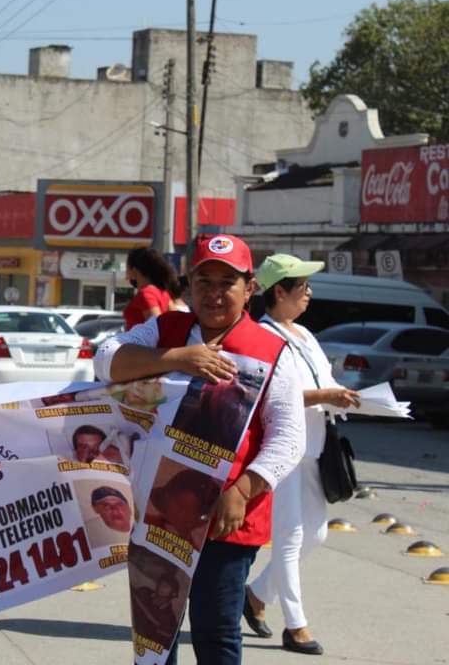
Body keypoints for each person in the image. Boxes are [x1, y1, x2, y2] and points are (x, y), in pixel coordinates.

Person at [95, 233, 305, 665]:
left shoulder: (273, 351)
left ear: (250, 289)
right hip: (158, 512)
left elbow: (288, 436)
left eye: (226, 283)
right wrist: (176, 358)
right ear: (189, 284)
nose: (213, 293)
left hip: (226, 518)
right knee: (155, 634)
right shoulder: (166, 329)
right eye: (203, 281)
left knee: (216, 634)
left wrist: (244, 489)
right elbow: (105, 360)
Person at [244, 254, 361, 656]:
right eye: (302, 287)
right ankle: (296, 626)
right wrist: (324, 396)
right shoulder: (262, 337)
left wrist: (341, 396)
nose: (309, 294)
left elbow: (324, 382)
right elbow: (265, 396)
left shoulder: (305, 335)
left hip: (315, 446)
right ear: (280, 291)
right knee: (290, 536)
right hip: (282, 448)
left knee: (316, 532)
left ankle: (257, 594)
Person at [147, 469, 220, 549]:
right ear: (167, 499)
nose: (180, 515)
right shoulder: (144, 522)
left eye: (189, 512)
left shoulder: (191, 550)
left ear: (199, 520)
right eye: (178, 505)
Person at [123, 247, 179, 330]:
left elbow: (157, 326)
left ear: (134, 270)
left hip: (141, 342)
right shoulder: (163, 292)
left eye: (127, 266)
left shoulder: (147, 293)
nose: (126, 271)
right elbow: (177, 320)